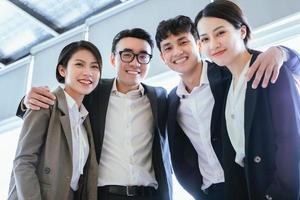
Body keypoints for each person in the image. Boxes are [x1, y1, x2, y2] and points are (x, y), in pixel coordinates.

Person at [155, 15, 300, 200]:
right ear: (162, 57)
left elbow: (282, 67)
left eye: (183, 42)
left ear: (199, 44)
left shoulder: (229, 74)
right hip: (209, 192)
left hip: (249, 181)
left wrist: (280, 51)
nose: (177, 52)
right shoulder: (171, 100)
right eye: (168, 47)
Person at [17, 28, 172, 200]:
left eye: (143, 56)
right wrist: (26, 102)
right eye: (127, 55)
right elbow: (62, 98)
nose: (135, 63)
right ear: (113, 59)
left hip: (150, 195)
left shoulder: (159, 97)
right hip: (104, 195)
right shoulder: (93, 92)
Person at [195, 1, 300, 199]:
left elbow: (291, 143)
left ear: (242, 31)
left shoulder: (270, 69)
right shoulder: (225, 83)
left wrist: (281, 51)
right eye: (205, 39)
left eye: (220, 33)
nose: (213, 44)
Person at [8, 40, 102, 200]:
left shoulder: (84, 117)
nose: (88, 72)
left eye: (94, 66)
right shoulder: (45, 102)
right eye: (79, 65)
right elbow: (23, 162)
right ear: (62, 70)